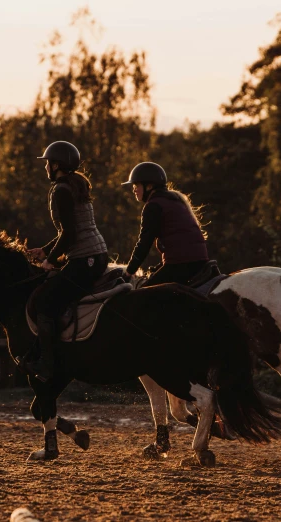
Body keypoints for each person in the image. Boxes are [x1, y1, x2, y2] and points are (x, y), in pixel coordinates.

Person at [24, 141, 109, 382]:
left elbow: (69, 234)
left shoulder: (61, 190)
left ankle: (48, 366)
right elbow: (69, 231)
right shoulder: (76, 184)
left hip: (85, 259)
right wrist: (46, 250)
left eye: (47, 163)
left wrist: (50, 260)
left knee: (44, 301)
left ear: (56, 165)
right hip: (96, 255)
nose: (46, 168)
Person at [122, 162, 209, 287]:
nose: (134, 189)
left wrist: (129, 272)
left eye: (137, 184)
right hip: (199, 261)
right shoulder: (175, 201)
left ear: (149, 186)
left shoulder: (153, 206)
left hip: (181, 263)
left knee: (142, 296)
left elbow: (144, 243)